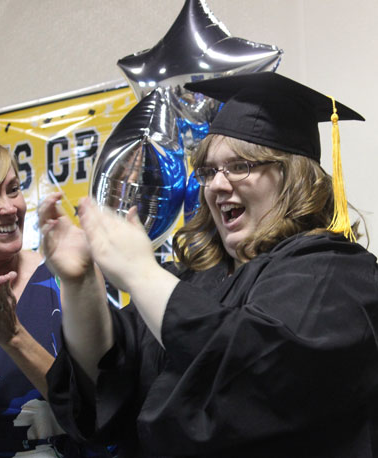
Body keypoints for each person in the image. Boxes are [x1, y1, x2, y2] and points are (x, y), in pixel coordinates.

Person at [41, 72, 378, 458]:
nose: (216, 185)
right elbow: (110, 380)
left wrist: (139, 271)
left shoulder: (336, 274)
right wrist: (80, 282)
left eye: (240, 166)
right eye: (208, 171)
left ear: (293, 179)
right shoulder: (195, 280)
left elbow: (257, 374)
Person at [0, 139, 114, 457]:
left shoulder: (63, 276)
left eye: (13, 189)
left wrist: (15, 338)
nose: (10, 207)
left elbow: (103, 401)